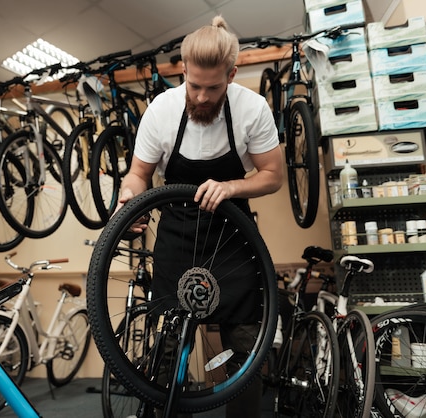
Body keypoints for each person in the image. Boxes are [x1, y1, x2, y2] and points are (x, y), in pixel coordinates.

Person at [117, 15, 284, 418]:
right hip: (176, 233)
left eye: (213, 87)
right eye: (194, 86)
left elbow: (273, 176)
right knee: (169, 344)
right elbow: (138, 175)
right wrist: (128, 201)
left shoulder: (252, 109)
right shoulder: (162, 109)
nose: (203, 97)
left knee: (245, 345)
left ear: (232, 74)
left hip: (233, 235)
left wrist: (231, 187)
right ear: (183, 73)